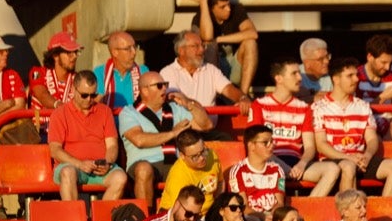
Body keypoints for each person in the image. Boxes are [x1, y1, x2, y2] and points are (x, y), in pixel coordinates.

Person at [119, 72, 215, 209]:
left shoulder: (175, 109)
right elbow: (139, 140)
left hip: (174, 162)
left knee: (194, 162)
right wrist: (173, 133)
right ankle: (147, 219)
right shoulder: (129, 112)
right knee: (143, 169)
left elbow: (206, 125)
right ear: (145, 90)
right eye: (159, 86)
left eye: (165, 85)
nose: (164, 89)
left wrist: (189, 104)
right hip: (145, 164)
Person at [313, 61, 392, 196]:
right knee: (348, 167)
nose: (356, 79)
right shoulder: (319, 107)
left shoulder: (362, 106)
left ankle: (386, 214)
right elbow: (321, 145)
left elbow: (372, 139)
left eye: (356, 75)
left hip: (360, 159)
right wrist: (348, 158)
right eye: (350, 76)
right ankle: (348, 214)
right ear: (336, 79)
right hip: (334, 159)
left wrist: (367, 156)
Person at [250, 60, 339, 197]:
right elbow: (254, 143)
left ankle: (307, 210)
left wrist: (302, 164)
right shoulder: (259, 105)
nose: (299, 78)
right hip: (269, 159)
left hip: (296, 162)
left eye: (299, 73)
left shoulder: (304, 108)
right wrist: (285, 168)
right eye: (294, 74)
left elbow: (310, 147)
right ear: (278, 78)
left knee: (332, 169)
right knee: (266, 159)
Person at [47, 70, 127, 202]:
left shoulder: (105, 112)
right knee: (68, 173)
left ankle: (100, 219)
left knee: (120, 177)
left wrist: (108, 163)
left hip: (99, 167)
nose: (89, 100)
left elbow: (112, 146)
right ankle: (74, 220)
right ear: (73, 89)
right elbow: (55, 150)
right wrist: (80, 164)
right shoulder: (60, 114)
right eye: (84, 95)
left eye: (93, 95)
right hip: (72, 166)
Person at [161, 29, 247, 111]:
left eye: (202, 45)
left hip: (211, 126)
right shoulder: (168, 72)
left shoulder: (211, 70)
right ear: (181, 51)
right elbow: (175, 99)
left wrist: (242, 98)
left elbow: (228, 89)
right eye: (196, 46)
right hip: (184, 125)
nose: (202, 50)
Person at [94, 31, 147, 112]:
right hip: (110, 122)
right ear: (115, 52)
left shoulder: (143, 71)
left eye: (134, 47)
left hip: (136, 123)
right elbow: (96, 107)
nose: (134, 52)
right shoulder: (100, 73)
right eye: (128, 48)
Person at [29, 31, 81, 112]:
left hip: (67, 124)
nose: (74, 56)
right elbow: (42, 94)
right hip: (40, 124)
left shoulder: (79, 78)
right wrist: (58, 104)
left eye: (76, 52)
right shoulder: (37, 72)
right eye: (69, 53)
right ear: (55, 56)